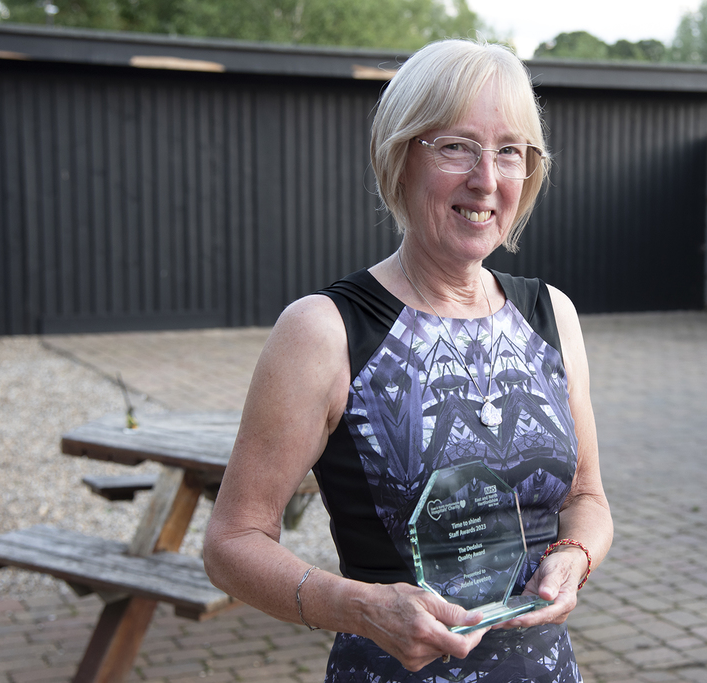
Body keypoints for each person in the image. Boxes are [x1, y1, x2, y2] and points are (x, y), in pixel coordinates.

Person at [203, 37, 613, 682]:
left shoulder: (550, 316)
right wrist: (360, 606)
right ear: (399, 157)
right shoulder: (326, 330)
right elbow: (232, 545)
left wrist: (576, 553)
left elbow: (587, 497)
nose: (486, 177)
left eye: (510, 151)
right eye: (456, 146)